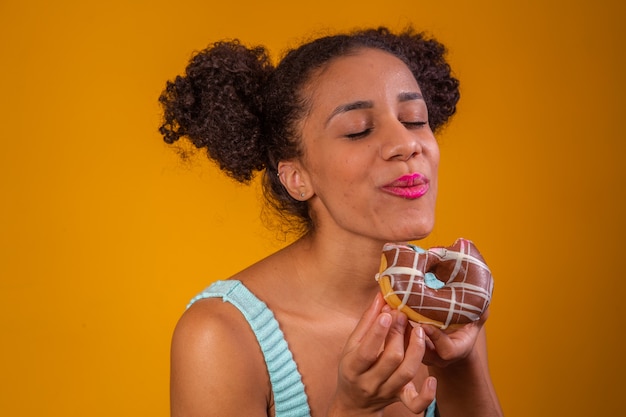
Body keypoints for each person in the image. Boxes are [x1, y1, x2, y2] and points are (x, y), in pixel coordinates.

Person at [159, 26, 503, 417]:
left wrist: (460, 364)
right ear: (297, 177)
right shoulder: (220, 336)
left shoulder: (443, 298)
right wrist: (352, 409)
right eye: (359, 130)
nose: (407, 144)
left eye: (414, 119)